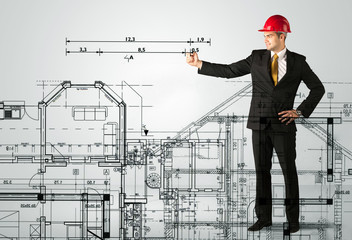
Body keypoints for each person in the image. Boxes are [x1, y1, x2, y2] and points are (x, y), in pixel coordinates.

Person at [186, 15, 325, 234]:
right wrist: (199, 64)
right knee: (262, 172)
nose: (266, 40)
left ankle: (293, 221)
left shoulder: (298, 62)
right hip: (259, 125)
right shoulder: (257, 57)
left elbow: (318, 88)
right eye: (264, 36)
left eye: (269, 35)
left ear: (282, 35)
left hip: (283, 125)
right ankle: (264, 218)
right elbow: (229, 71)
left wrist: (299, 111)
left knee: (289, 173)